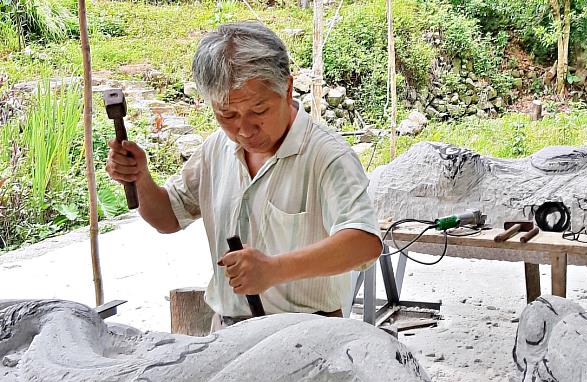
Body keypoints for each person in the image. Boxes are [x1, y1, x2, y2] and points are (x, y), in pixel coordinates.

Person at [106, 21, 382, 327]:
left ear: (287, 89)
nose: (244, 130)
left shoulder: (327, 156)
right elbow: (167, 217)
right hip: (227, 333)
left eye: (259, 111)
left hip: (306, 337)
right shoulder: (217, 149)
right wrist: (140, 178)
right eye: (227, 115)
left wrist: (274, 269)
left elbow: (364, 244)